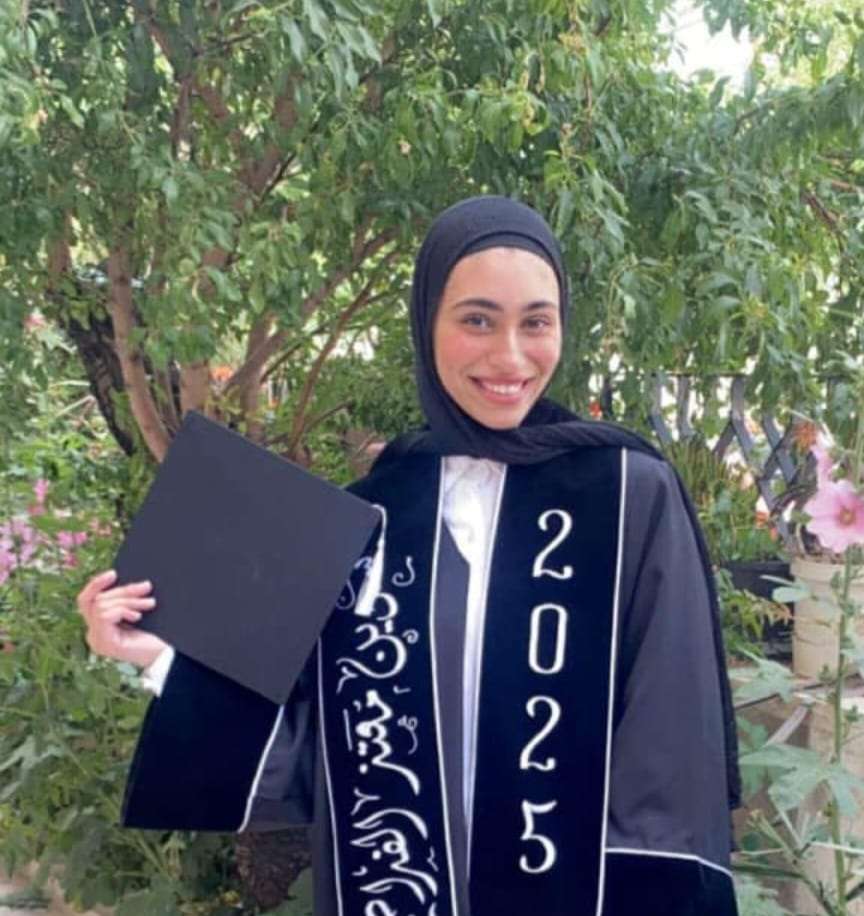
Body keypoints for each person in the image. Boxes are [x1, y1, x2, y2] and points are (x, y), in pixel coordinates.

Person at [77, 196, 741, 915]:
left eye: (536, 322)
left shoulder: (627, 496)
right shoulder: (373, 517)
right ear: (427, 325)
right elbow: (322, 759)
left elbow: (673, 757)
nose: (510, 356)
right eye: (477, 320)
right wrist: (157, 656)